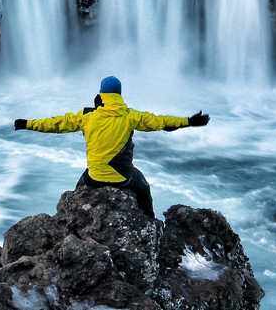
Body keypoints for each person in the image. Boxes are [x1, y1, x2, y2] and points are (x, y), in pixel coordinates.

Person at [13, 75, 209, 218]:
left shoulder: (86, 116)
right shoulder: (130, 116)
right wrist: (189, 121)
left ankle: (71, 211)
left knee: (82, 182)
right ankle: (150, 220)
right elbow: (162, 122)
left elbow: (55, 124)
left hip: (94, 178)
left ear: (100, 94)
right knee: (143, 186)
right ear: (119, 95)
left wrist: (27, 124)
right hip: (123, 178)